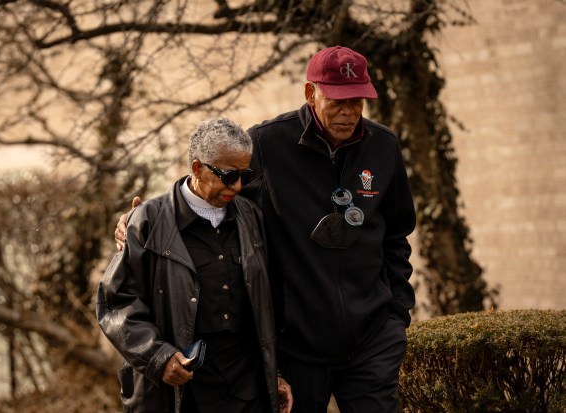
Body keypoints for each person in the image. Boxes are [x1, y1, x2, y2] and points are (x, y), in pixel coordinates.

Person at [115, 46, 416, 413]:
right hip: (298, 346)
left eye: (357, 101)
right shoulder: (268, 143)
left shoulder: (383, 146)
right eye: (337, 100)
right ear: (310, 93)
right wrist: (148, 217)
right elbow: (213, 183)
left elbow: (398, 233)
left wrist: (396, 312)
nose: (348, 112)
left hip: (373, 339)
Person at [97, 117, 293, 413]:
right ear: (197, 168)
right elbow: (116, 302)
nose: (238, 186)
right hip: (180, 392)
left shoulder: (251, 217)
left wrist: (274, 372)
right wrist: (158, 357)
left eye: (245, 174)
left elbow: (270, 303)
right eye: (228, 176)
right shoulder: (148, 220)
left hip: (246, 387)